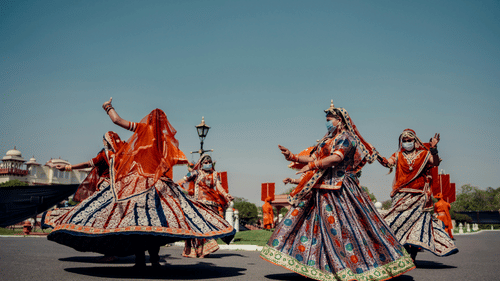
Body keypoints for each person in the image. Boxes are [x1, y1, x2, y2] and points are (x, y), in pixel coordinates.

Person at [43, 98, 235, 268]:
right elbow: (174, 160)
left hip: (138, 184)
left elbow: (117, 121)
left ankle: (140, 260)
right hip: (159, 185)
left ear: (149, 120)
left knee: (136, 222)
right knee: (155, 223)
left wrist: (107, 107)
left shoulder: (143, 129)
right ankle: (155, 259)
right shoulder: (165, 139)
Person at [260, 101, 415, 281]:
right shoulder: (327, 139)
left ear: (340, 120)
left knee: (346, 227)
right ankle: (319, 266)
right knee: (312, 227)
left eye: (329, 119)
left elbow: (336, 158)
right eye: (326, 120)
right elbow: (314, 156)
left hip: (340, 189)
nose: (327, 123)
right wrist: (293, 156)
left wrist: (312, 165)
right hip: (320, 188)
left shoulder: (347, 137)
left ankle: (352, 265)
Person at [378, 129, 458, 262]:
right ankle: (400, 253)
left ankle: (412, 255)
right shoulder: (397, 155)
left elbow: (436, 162)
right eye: (404, 141)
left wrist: (434, 149)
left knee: (416, 227)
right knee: (395, 224)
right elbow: (388, 163)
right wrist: (376, 155)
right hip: (401, 197)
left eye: (409, 140)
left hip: (419, 197)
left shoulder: (424, 154)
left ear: (415, 141)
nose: (407, 143)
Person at [176, 154, 234, 258]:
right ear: (201, 164)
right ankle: (198, 251)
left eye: (209, 162)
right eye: (205, 163)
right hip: (199, 204)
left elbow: (219, 187)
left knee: (209, 228)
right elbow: (184, 179)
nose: (208, 164)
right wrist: (174, 185)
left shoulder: (215, 174)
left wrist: (226, 195)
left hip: (212, 205)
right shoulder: (195, 173)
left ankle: (205, 250)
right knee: (198, 227)